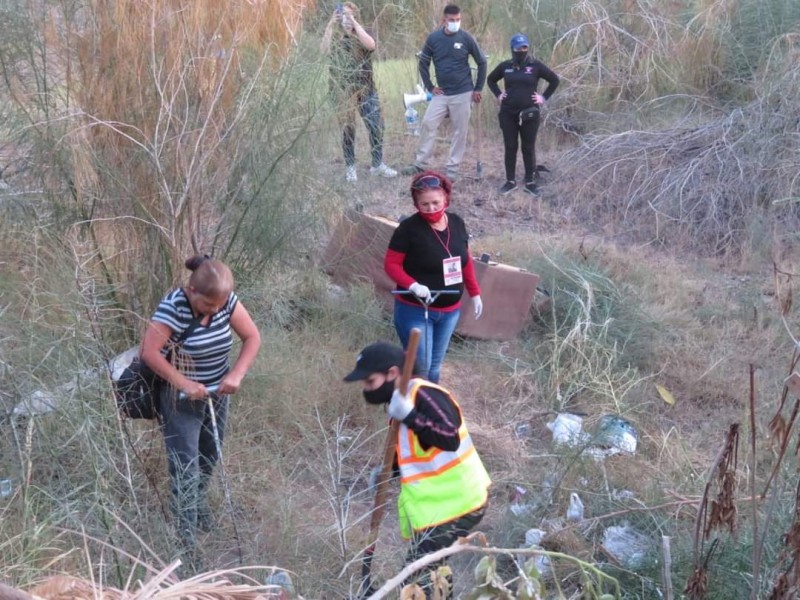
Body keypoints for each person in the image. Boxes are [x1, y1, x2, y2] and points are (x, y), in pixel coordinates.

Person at [343, 341, 491, 597]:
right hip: (443, 506)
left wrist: (410, 415)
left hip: (459, 505)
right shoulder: (400, 400)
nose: (366, 389)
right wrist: (388, 472)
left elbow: (449, 437)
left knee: (415, 579)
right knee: (433, 571)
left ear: (391, 374)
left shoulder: (423, 395)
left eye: (370, 381)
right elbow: (419, 448)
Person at [140, 255, 261, 561]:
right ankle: (185, 541)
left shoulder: (227, 301)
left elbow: (252, 337)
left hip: (216, 395)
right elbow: (149, 353)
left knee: (209, 455)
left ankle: (198, 507)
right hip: (179, 400)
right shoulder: (173, 307)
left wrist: (236, 374)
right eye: (209, 305)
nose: (216, 310)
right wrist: (183, 383)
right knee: (185, 468)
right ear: (192, 290)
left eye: (220, 304)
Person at [384, 170, 483, 384]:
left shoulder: (457, 223)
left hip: (449, 312)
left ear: (446, 198)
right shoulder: (408, 229)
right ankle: (409, 410)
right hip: (416, 310)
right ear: (416, 204)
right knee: (421, 369)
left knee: (435, 367)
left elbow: (465, 260)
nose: (431, 209)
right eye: (424, 204)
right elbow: (391, 264)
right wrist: (413, 285)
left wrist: (475, 293)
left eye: (436, 203)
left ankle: (429, 411)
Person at [404, 4, 486, 181]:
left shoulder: (466, 38)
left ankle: (452, 169)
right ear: (444, 20)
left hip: (463, 92)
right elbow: (423, 63)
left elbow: (482, 62)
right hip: (441, 93)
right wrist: (430, 86)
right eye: (452, 20)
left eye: (458, 20)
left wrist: (478, 88)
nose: (456, 23)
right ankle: (420, 164)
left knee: (460, 131)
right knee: (427, 123)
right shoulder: (434, 38)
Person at [321, 2, 397, 182]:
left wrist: (353, 23)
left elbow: (371, 46)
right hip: (342, 91)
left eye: (349, 15)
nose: (345, 20)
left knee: (376, 125)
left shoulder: (364, 32)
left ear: (356, 16)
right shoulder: (336, 37)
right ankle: (350, 167)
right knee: (348, 130)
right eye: (343, 16)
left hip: (366, 89)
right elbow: (323, 51)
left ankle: (377, 164)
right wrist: (332, 24)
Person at [487, 33, 559, 196]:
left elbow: (554, 80)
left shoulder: (535, 66)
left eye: (525, 47)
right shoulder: (505, 66)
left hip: (530, 114)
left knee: (528, 147)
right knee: (510, 146)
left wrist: (543, 97)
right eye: (518, 47)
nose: (522, 50)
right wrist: (499, 94)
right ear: (512, 48)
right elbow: (491, 80)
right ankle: (510, 182)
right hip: (508, 113)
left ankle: (530, 182)